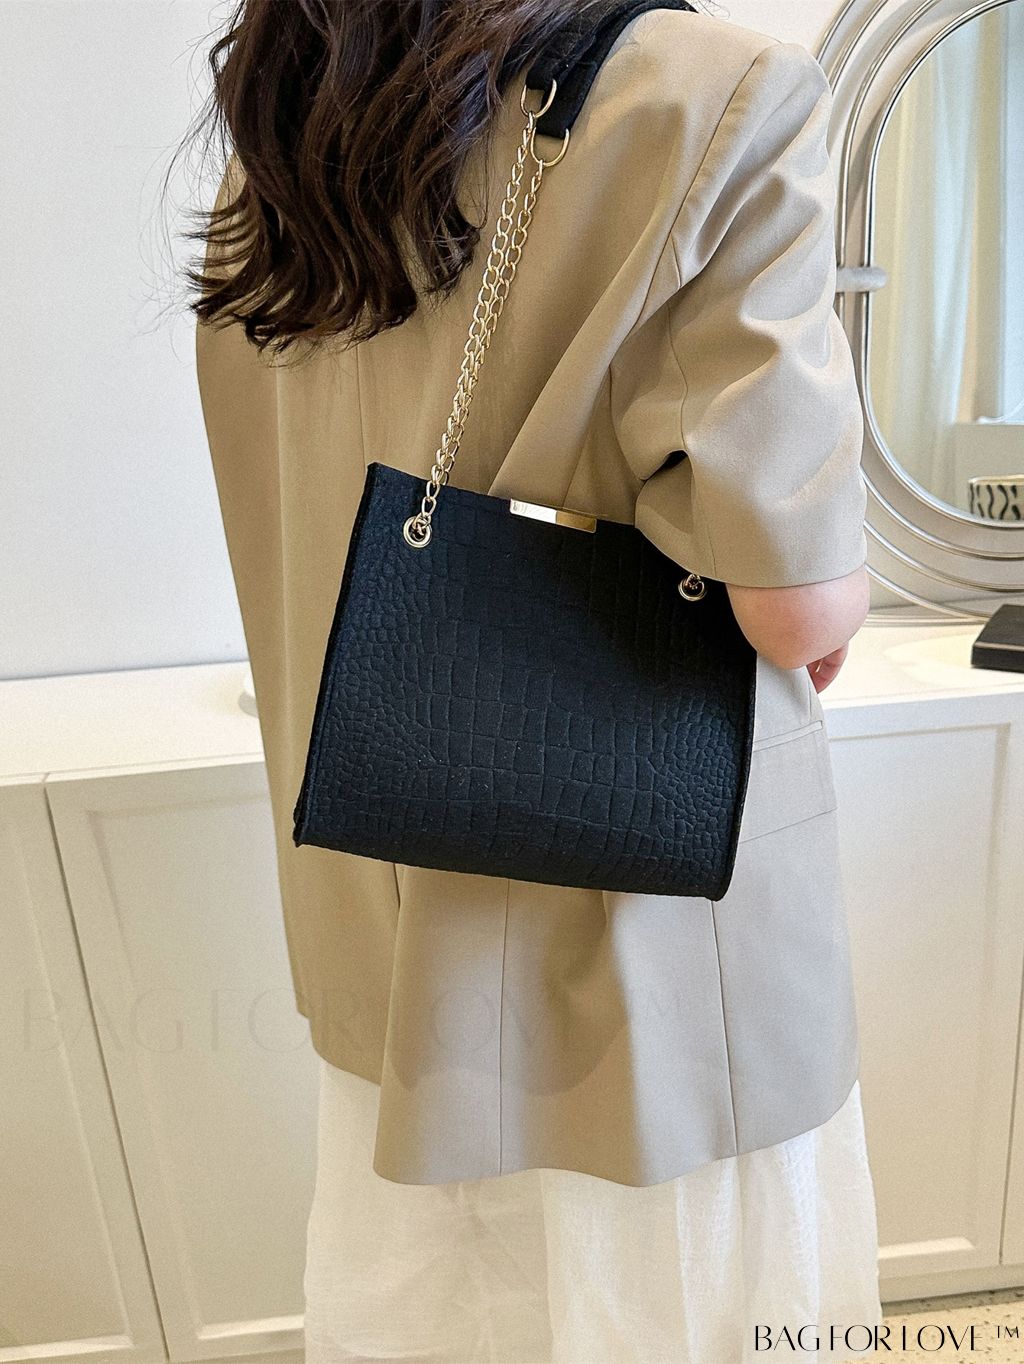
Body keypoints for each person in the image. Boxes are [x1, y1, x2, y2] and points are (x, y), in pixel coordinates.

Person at [188, 0, 882, 1358]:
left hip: (378, 908)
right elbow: (796, 606)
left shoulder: (292, 118)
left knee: (448, 1306)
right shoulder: (718, 94)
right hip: (640, 951)